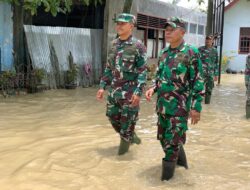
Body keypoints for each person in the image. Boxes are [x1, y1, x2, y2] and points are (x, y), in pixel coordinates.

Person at [145, 17, 204, 181]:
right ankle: (184, 167)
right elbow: (159, 78)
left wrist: (196, 107)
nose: (168, 32)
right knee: (164, 141)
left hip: (179, 108)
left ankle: (165, 182)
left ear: (182, 32)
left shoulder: (191, 52)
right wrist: (153, 88)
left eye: (172, 29)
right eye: (166, 29)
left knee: (170, 148)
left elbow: (198, 81)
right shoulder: (164, 53)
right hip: (162, 108)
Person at [96, 13, 147, 155]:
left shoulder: (138, 46)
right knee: (112, 118)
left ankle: (121, 159)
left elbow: (143, 72)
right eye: (118, 23)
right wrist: (102, 87)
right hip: (114, 92)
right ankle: (133, 137)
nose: (119, 26)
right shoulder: (113, 44)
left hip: (130, 94)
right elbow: (108, 68)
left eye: (123, 23)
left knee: (126, 128)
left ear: (131, 26)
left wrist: (138, 93)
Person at [199, 35, 219, 104]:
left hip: (210, 74)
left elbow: (216, 63)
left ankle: (207, 103)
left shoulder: (215, 51)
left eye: (209, 39)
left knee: (209, 90)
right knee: (199, 89)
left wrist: (216, 74)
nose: (207, 41)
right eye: (206, 39)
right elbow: (196, 61)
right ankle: (197, 105)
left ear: (212, 41)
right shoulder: (200, 49)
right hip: (201, 73)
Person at [245, 54, 250, 118]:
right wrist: (246, 81)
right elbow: (247, 70)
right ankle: (248, 117)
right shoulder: (248, 57)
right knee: (249, 99)